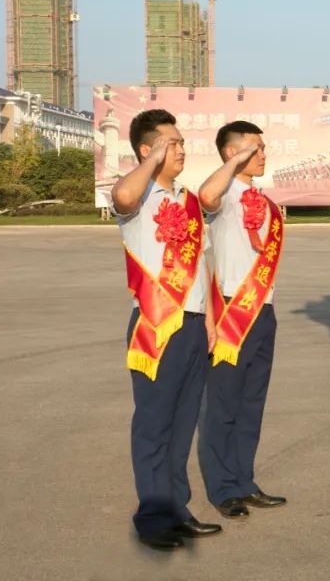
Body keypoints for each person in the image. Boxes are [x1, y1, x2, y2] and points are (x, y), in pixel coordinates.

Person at [111, 109, 222, 550]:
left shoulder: (189, 202)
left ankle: (179, 508)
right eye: (171, 143)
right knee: (154, 425)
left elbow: (202, 270)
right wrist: (151, 162)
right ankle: (154, 516)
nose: (181, 150)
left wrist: (212, 323)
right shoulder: (137, 200)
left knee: (181, 426)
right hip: (157, 326)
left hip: (195, 326)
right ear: (148, 149)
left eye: (179, 143)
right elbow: (121, 194)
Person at [198, 120, 287, 518]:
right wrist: (236, 164)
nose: (263, 154)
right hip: (233, 308)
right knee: (223, 405)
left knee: (252, 403)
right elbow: (207, 194)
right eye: (255, 148)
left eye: (263, 148)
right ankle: (222, 489)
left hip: (263, 309)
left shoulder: (263, 201)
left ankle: (244, 481)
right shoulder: (224, 196)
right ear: (233, 153)